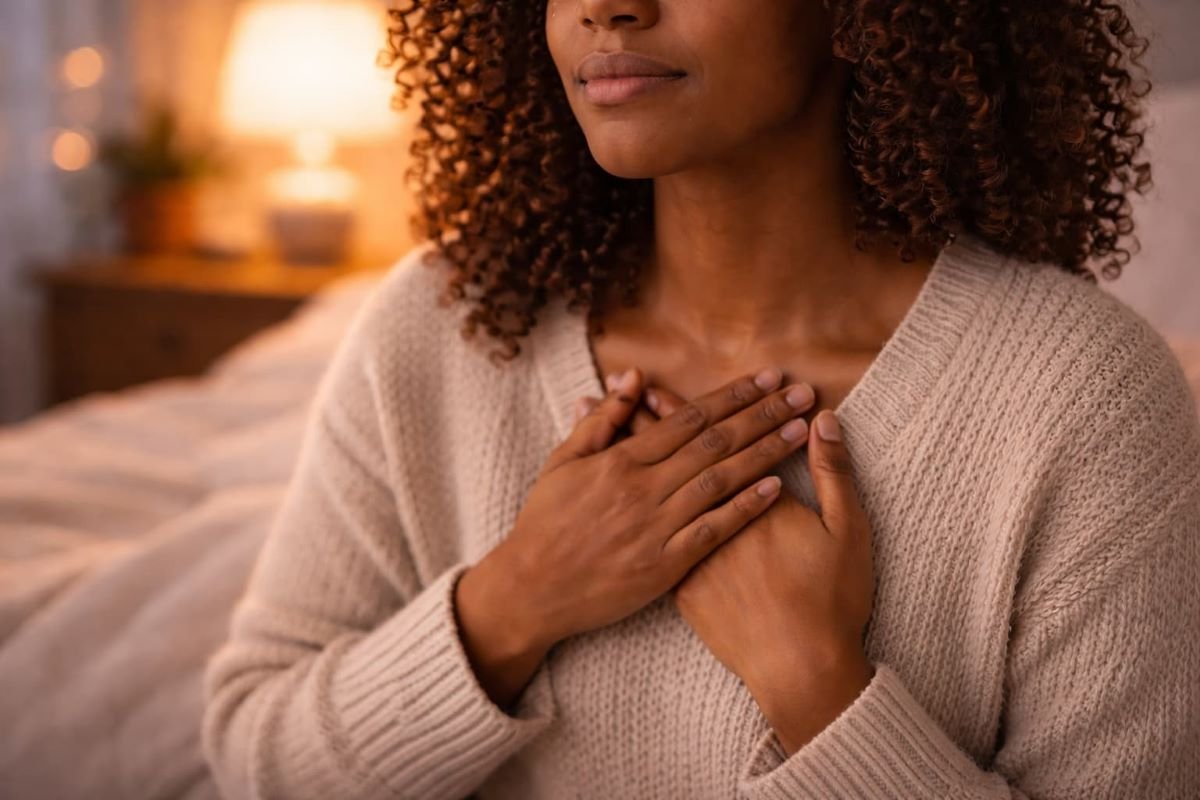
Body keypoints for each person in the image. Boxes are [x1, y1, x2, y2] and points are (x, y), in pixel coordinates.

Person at [202, 1, 1200, 798]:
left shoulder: (1083, 398)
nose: (608, 7)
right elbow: (257, 758)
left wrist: (816, 684)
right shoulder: (442, 325)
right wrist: (515, 599)